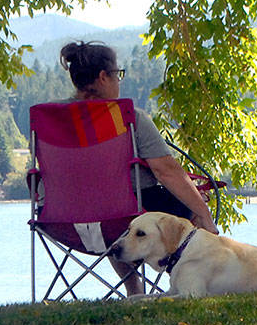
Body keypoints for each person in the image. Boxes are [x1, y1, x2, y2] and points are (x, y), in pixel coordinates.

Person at [60, 41, 219, 292]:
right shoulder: (128, 118)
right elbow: (167, 171)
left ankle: (133, 288)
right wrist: (205, 215)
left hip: (62, 220)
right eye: (117, 75)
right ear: (103, 77)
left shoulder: (52, 120)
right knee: (191, 202)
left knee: (113, 213)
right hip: (122, 216)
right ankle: (191, 284)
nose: (118, 82)